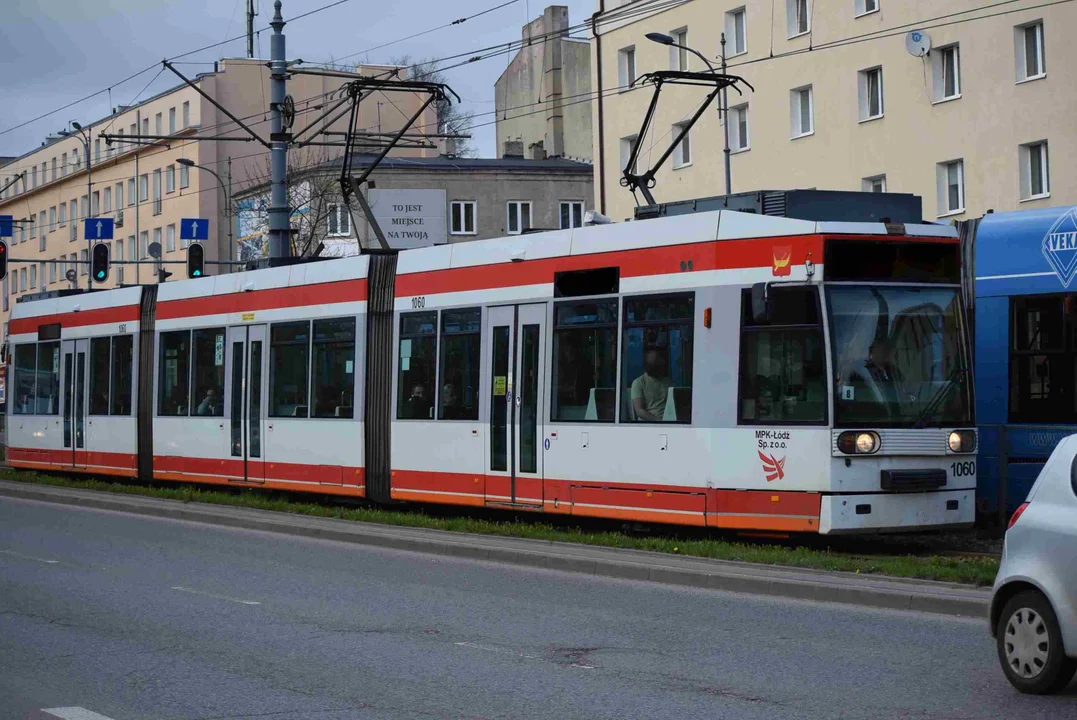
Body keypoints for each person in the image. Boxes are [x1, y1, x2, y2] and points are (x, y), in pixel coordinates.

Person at [631, 348, 670, 421]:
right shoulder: (639, 383)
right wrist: (659, 421)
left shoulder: (668, 381)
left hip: (671, 420)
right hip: (651, 423)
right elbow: (639, 411)